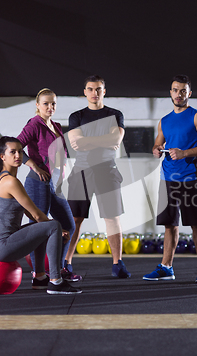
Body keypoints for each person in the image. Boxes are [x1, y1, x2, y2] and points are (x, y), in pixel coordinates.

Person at [0, 136, 81, 295]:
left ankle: (40, 278)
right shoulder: (11, 181)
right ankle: (56, 281)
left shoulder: (4, 178)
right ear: (2, 156)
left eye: (20, 152)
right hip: (0, 246)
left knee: (43, 227)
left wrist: (48, 226)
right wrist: (57, 230)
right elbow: (36, 214)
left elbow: (31, 213)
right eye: (12, 152)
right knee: (54, 225)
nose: (18, 156)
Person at [143, 74, 197, 283]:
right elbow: (158, 144)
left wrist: (184, 153)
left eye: (183, 90)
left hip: (189, 178)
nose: (178, 94)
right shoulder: (164, 121)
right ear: (170, 93)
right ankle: (166, 267)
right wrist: (156, 150)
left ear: (189, 94)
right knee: (170, 225)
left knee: (196, 224)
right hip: (167, 178)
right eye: (175, 90)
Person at [65, 75, 131, 278]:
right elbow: (76, 142)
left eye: (99, 89)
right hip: (82, 171)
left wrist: (88, 140)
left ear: (104, 91)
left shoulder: (115, 114)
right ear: (85, 92)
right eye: (91, 89)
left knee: (111, 217)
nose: (95, 93)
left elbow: (116, 139)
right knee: (74, 219)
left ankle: (117, 263)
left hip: (107, 171)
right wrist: (104, 140)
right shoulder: (76, 116)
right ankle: (65, 262)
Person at [17, 89, 81, 282]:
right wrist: (35, 167)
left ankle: (60, 269)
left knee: (68, 225)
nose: (50, 107)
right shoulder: (34, 124)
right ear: (37, 105)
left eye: (53, 103)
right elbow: (16, 146)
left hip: (55, 184)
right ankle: (38, 274)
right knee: (39, 228)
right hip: (38, 183)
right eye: (46, 103)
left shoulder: (56, 125)